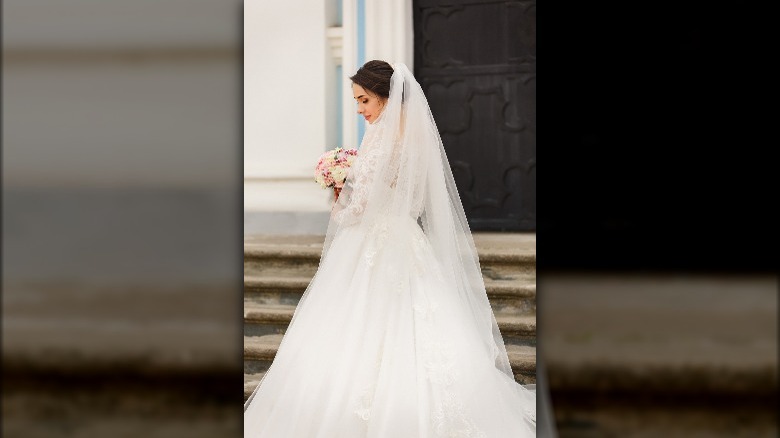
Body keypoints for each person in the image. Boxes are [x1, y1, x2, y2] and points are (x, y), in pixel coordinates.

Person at [244, 61, 537, 437]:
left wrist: (339, 201)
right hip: (405, 239)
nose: (360, 109)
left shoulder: (381, 137)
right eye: (357, 101)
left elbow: (359, 208)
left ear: (385, 95)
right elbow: (412, 204)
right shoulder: (417, 137)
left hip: (373, 241)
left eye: (364, 100)